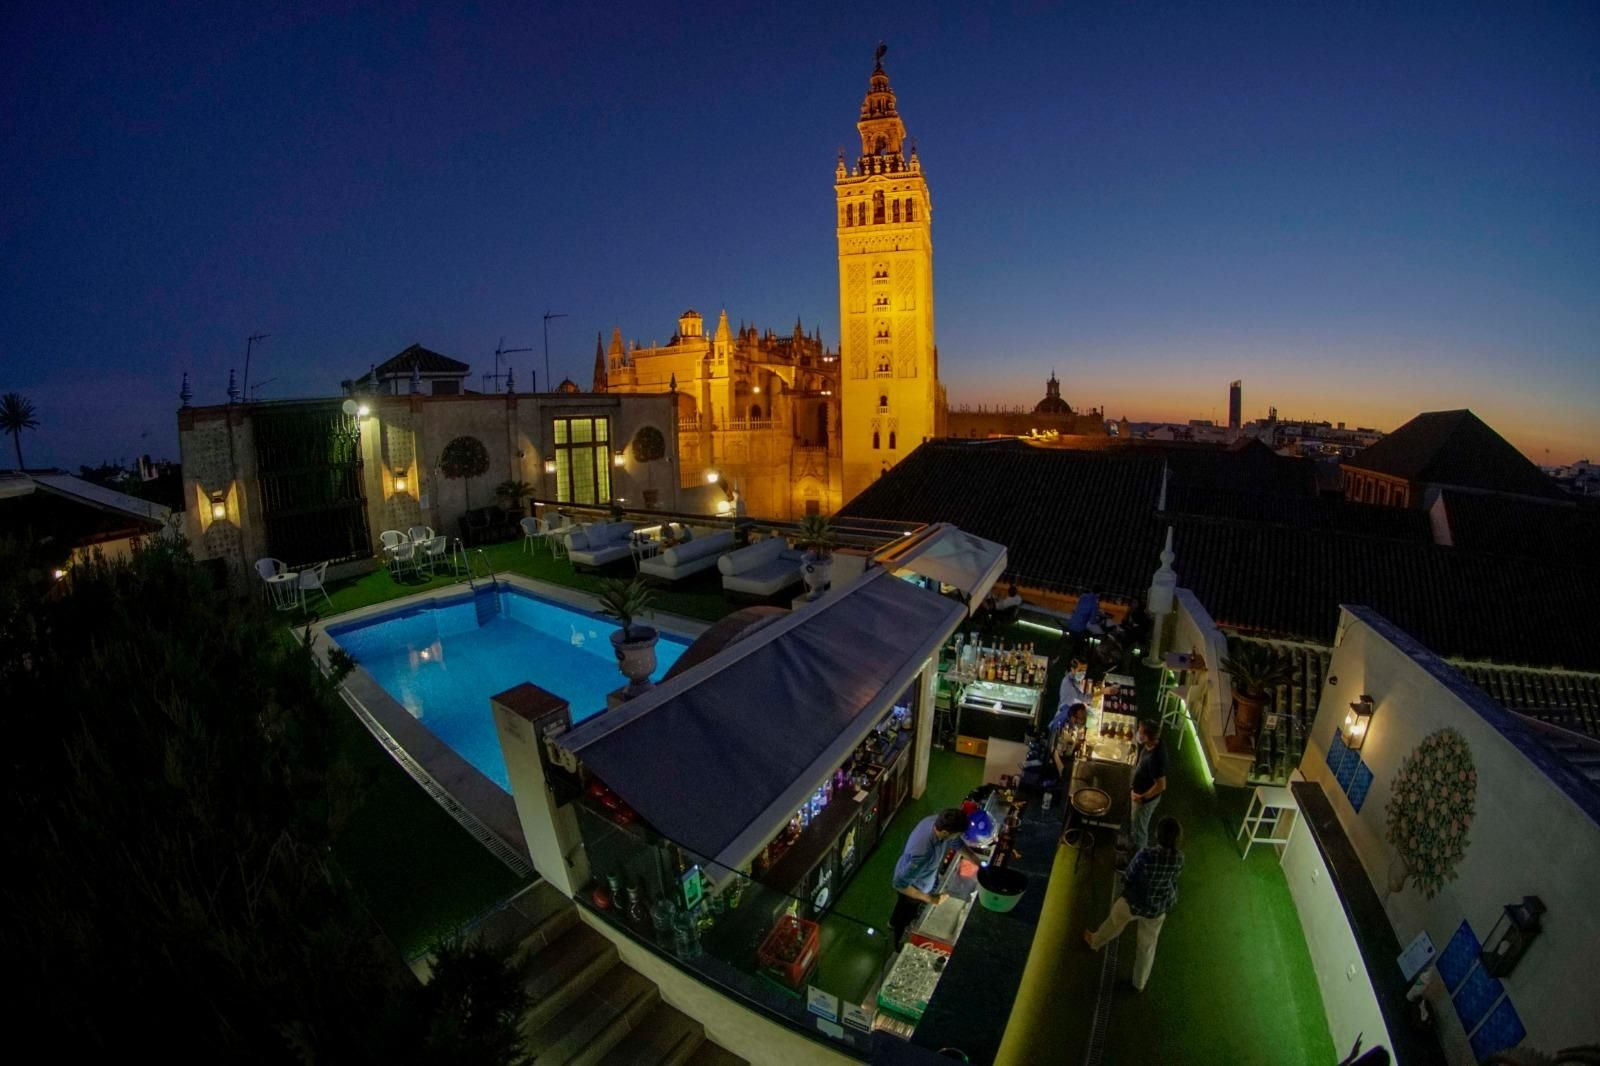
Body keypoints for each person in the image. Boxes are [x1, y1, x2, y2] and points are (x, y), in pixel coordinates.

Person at [1083, 816, 1184, 991]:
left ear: (1157, 834)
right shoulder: (1179, 858)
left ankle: (1095, 942)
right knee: (1147, 946)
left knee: (1113, 923)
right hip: (1158, 908)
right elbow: (1173, 879)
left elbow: (1129, 875)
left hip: (1133, 902)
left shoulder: (1146, 854)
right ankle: (1139, 982)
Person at [890, 808, 968, 946]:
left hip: (924, 879)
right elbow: (899, 884)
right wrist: (931, 899)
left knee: (901, 909)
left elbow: (955, 842)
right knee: (905, 914)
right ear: (946, 833)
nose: (957, 837)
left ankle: (893, 922)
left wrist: (976, 860)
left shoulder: (935, 821)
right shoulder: (923, 852)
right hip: (913, 890)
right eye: (957, 834)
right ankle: (897, 940)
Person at [1128, 718, 1168, 854]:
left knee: (1140, 830)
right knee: (1135, 825)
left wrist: (1142, 798)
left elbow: (1161, 785)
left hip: (1144, 800)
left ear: (1147, 737)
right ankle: (1133, 847)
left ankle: (1138, 856)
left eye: (1140, 732)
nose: (1138, 734)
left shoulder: (1156, 759)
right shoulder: (1154, 743)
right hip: (1138, 792)